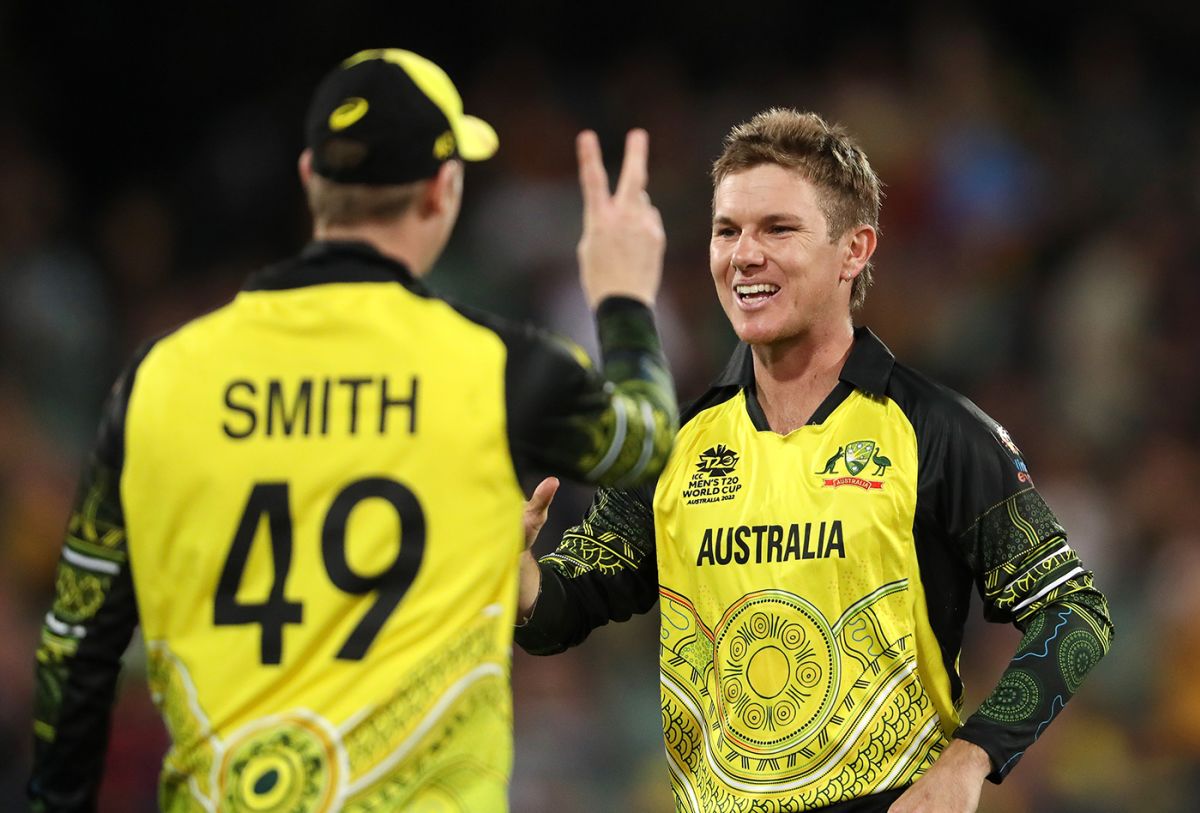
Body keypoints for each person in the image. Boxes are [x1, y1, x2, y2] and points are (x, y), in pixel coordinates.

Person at [28, 48, 678, 812]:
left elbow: (74, 646)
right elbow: (647, 438)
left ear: (311, 180)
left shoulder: (155, 381)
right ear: (444, 189)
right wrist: (623, 296)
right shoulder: (501, 367)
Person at [516, 108, 1113, 812]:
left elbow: (1076, 612)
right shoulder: (675, 447)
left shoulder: (936, 431)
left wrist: (972, 755)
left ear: (854, 249)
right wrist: (517, 571)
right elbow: (561, 610)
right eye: (727, 230)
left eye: (778, 228)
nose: (744, 254)